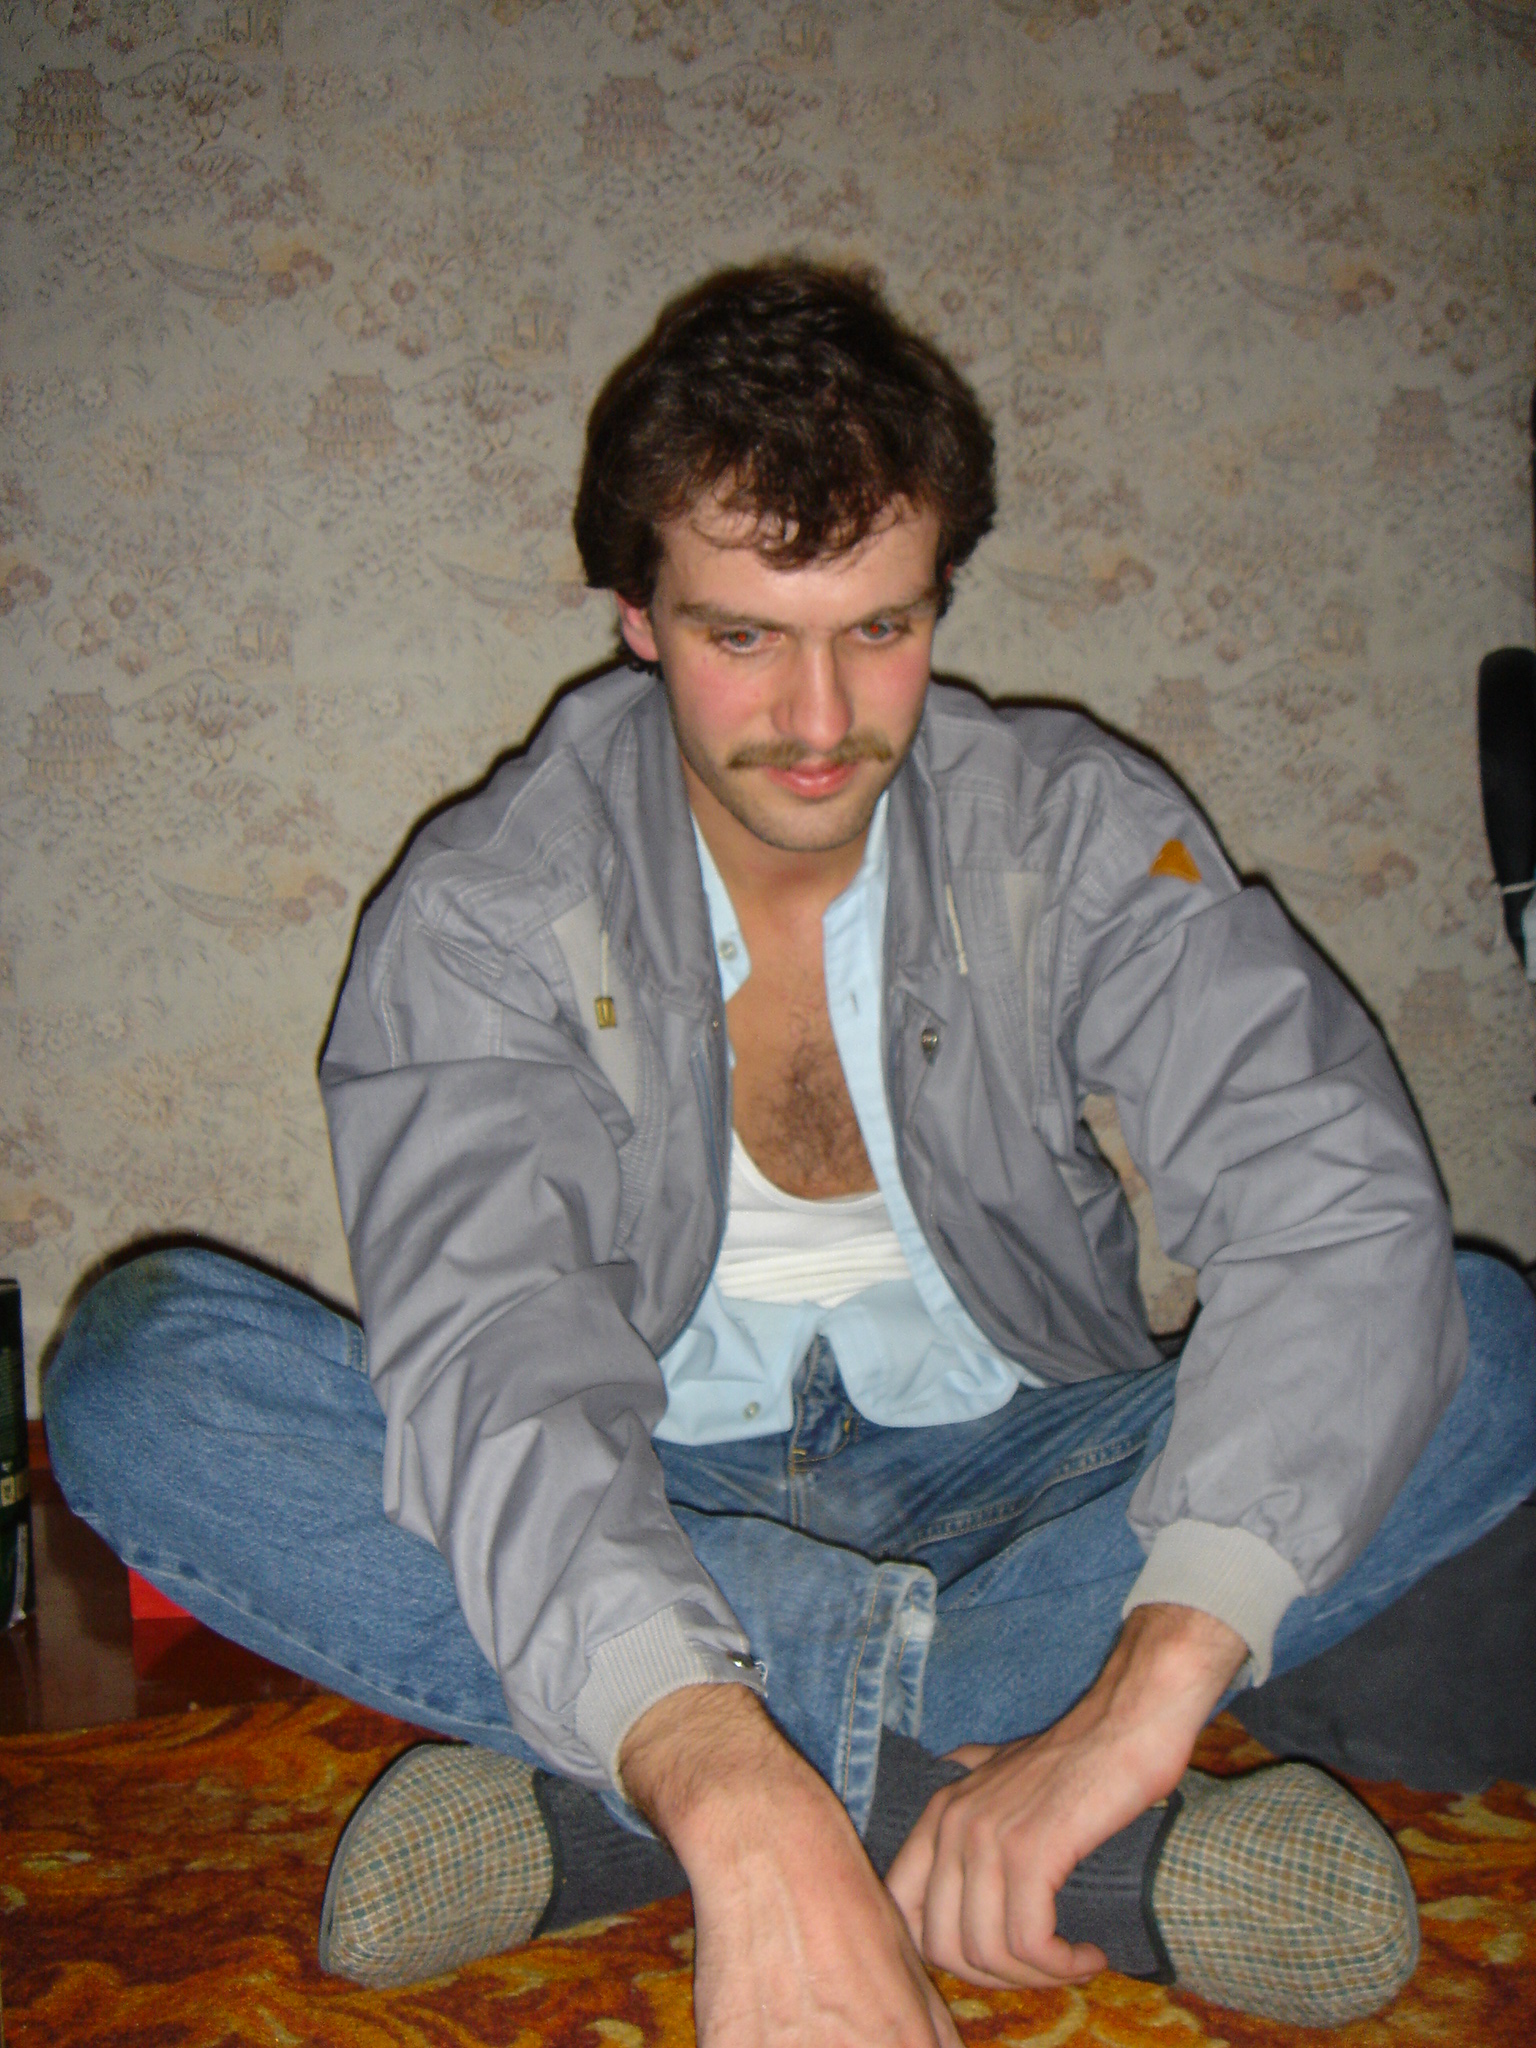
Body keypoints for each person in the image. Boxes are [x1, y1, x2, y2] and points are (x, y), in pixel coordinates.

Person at [46, 261, 1536, 2046]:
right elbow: (502, 1359)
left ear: (939, 597)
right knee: (145, 1378)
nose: (824, 722)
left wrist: (1142, 1702)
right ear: (637, 617)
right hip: (648, 1486)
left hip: (1026, 1469)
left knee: (1483, 1343)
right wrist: (733, 1787)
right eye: (746, 636)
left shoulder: (1071, 830)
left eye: (881, 628)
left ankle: (610, 1803)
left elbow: (1328, 1199)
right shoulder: (489, 907)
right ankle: (896, 1817)